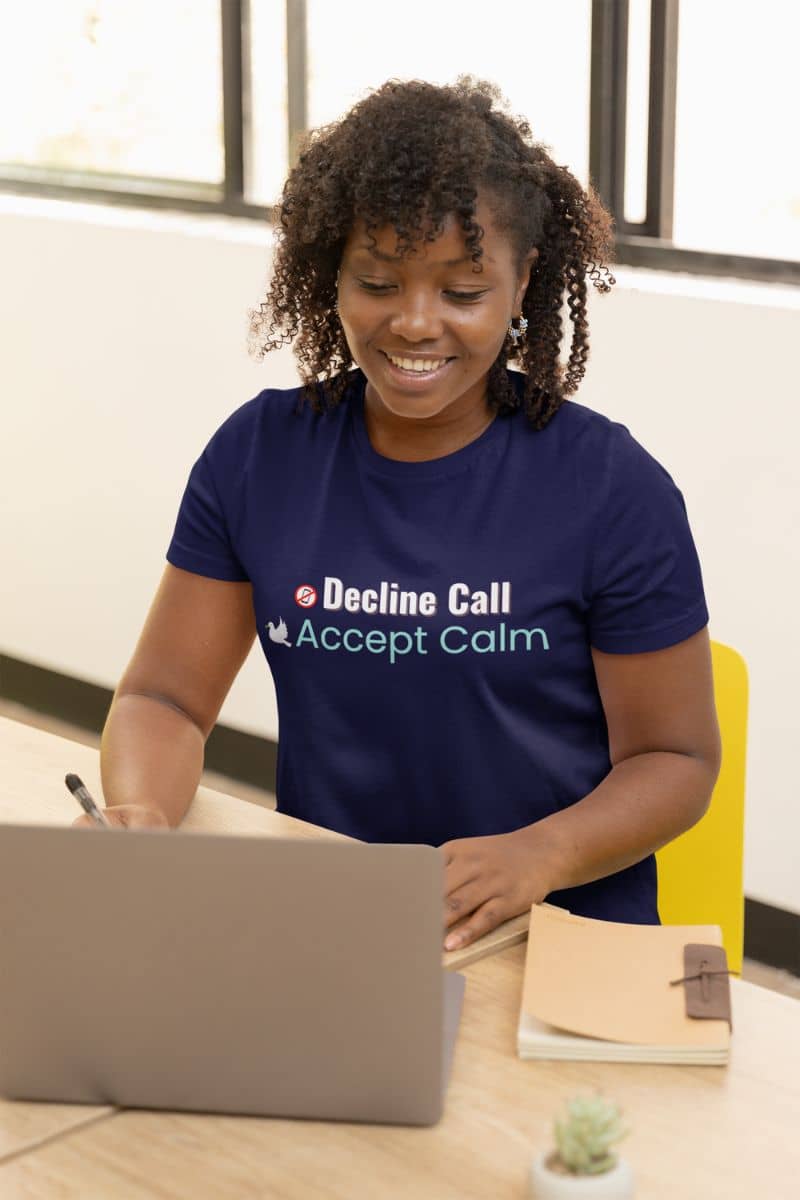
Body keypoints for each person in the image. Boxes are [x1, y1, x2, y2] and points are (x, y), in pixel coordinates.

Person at [83, 78, 721, 951]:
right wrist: (141, 813)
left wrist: (539, 855)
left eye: (463, 293)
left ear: (522, 281)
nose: (416, 324)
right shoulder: (260, 456)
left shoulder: (611, 488)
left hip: (559, 936)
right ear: (333, 275)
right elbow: (165, 698)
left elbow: (677, 761)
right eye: (378, 282)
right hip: (348, 928)